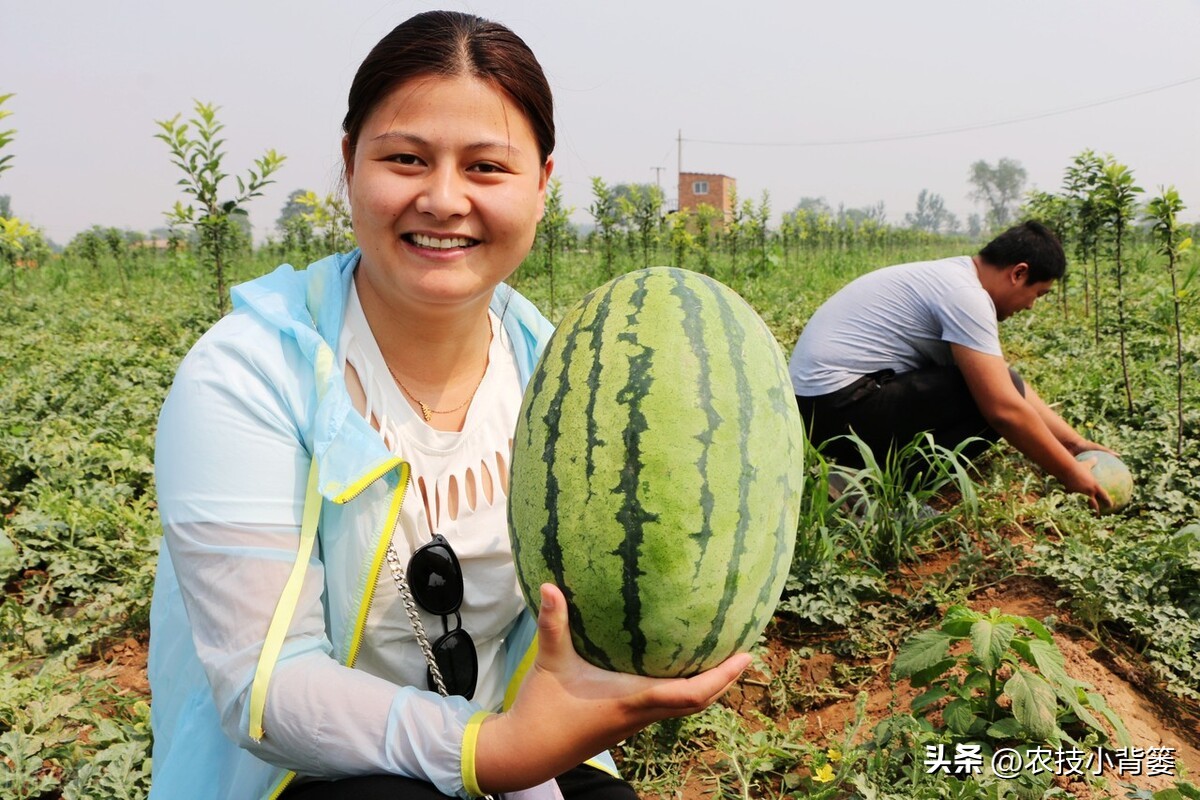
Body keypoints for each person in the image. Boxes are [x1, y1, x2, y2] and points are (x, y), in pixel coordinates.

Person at [147, 11, 748, 800]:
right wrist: (492, 750)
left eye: (487, 168)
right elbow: (269, 691)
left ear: (542, 185)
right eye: (405, 159)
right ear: (349, 166)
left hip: (521, 749)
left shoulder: (560, 377)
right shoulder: (249, 372)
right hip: (307, 773)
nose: (442, 199)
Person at [789, 220, 1113, 511]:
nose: (1030, 306)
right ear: (1018, 273)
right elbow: (1004, 409)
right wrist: (1071, 475)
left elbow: (1005, 380)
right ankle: (883, 494)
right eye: (1037, 294)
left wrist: (1074, 444)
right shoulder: (965, 295)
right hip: (838, 405)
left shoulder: (954, 278)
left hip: (821, 407)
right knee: (989, 402)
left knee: (995, 386)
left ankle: (860, 475)